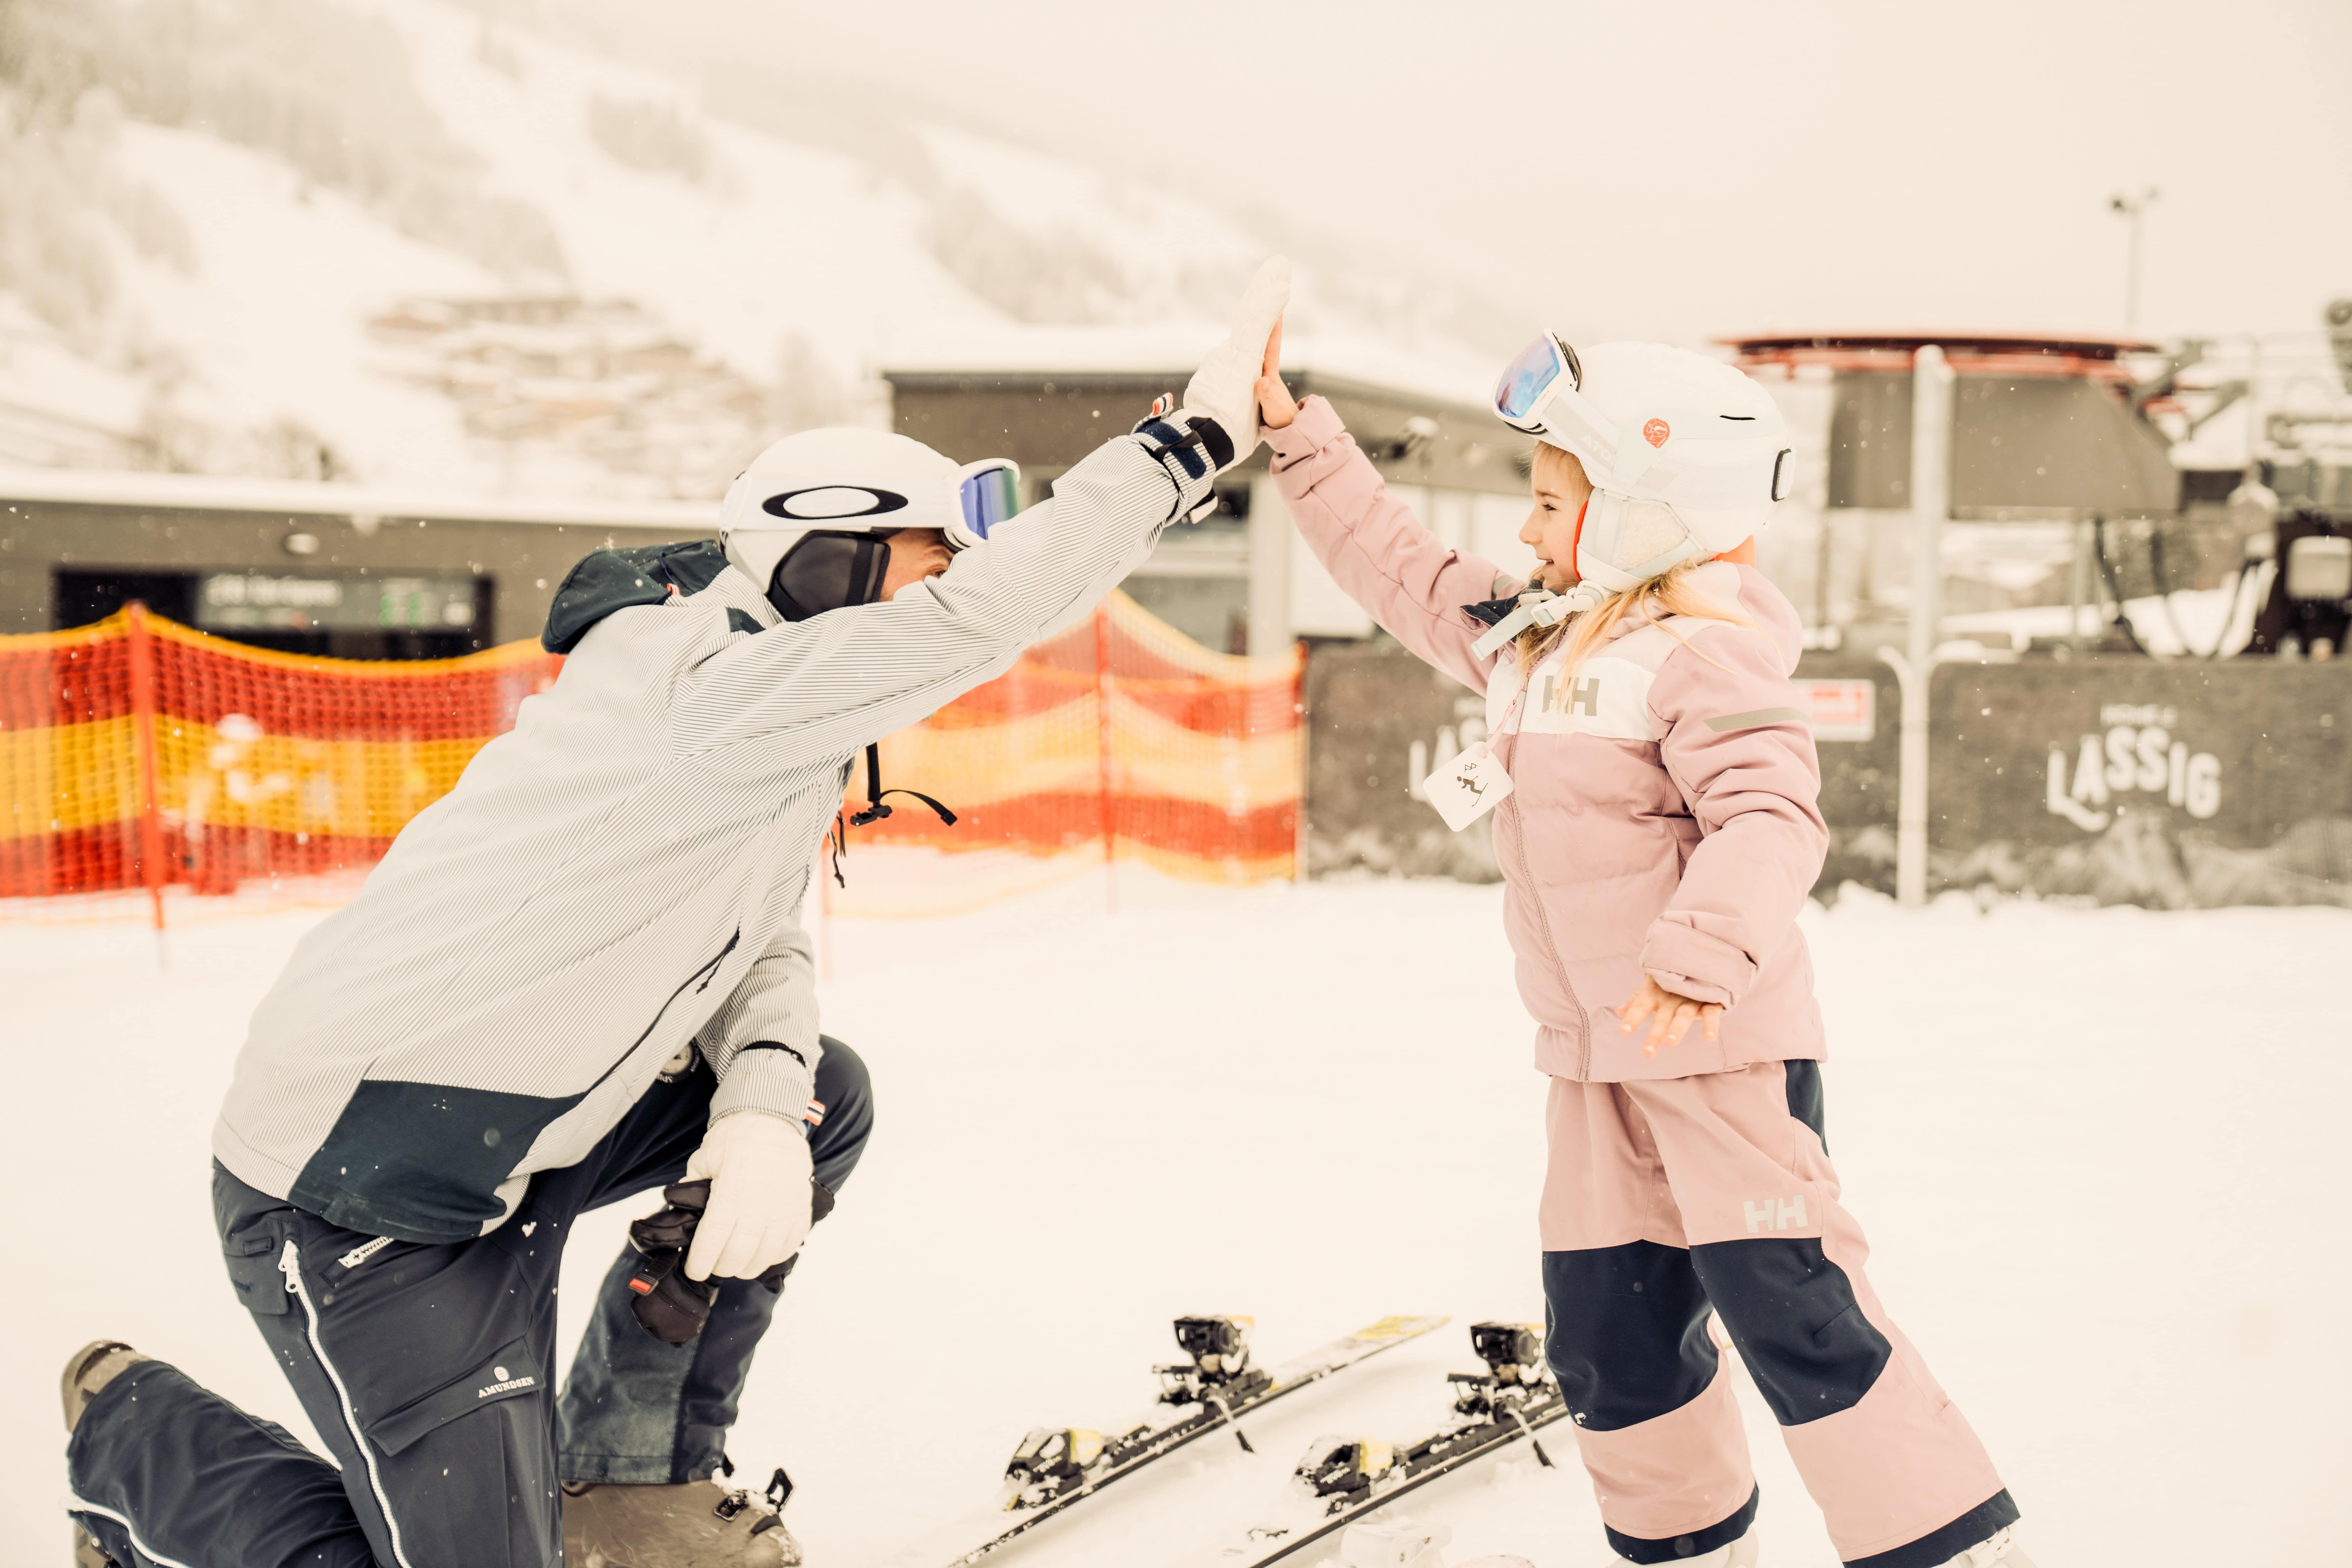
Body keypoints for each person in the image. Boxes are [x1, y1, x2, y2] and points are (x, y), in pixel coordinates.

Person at [59, 259, 1293, 1568]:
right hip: (362, 1188)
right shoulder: (710, 680)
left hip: (520, 1139)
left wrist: (764, 1099)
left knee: (828, 1088)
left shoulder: (772, 719)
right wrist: (1191, 442)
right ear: (835, 560)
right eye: (928, 562)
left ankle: (625, 1470)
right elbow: (975, 625)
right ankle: (142, 1444)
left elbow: (760, 938)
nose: (944, 592)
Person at [1254, 329, 2033, 1568]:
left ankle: (1951, 1551)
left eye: (1553, 504)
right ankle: (1692, 1551)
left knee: (1794, 1314)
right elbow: (1402, 568)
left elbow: (1772, 814)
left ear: (1647, 515)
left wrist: (1695, 952)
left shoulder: (1704, 654)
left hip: (1717, 1047)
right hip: (1593, 1062)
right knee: (1612, 1334)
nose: (1526, 532)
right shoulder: (1536, 636)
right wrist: (1296, 437)